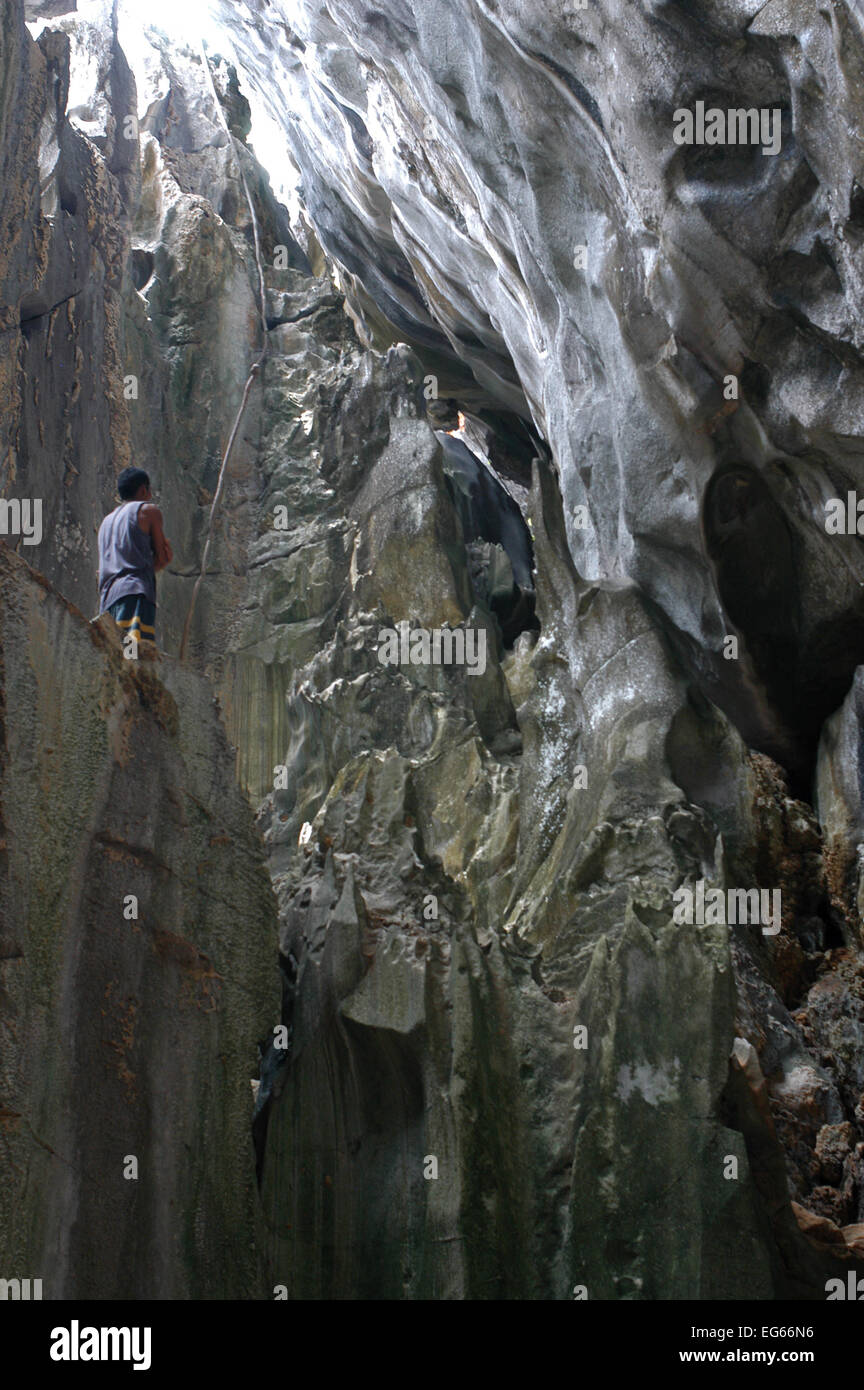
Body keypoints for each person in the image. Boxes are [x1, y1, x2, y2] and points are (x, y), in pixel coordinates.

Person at [98, 467, 173, 651]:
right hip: (134, 596)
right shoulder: (149, 511)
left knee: (116, 658)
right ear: (142, 490)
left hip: (107, 601)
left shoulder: (106, 522)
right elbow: (161, 559)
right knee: (133, 657)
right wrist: (166, 556)